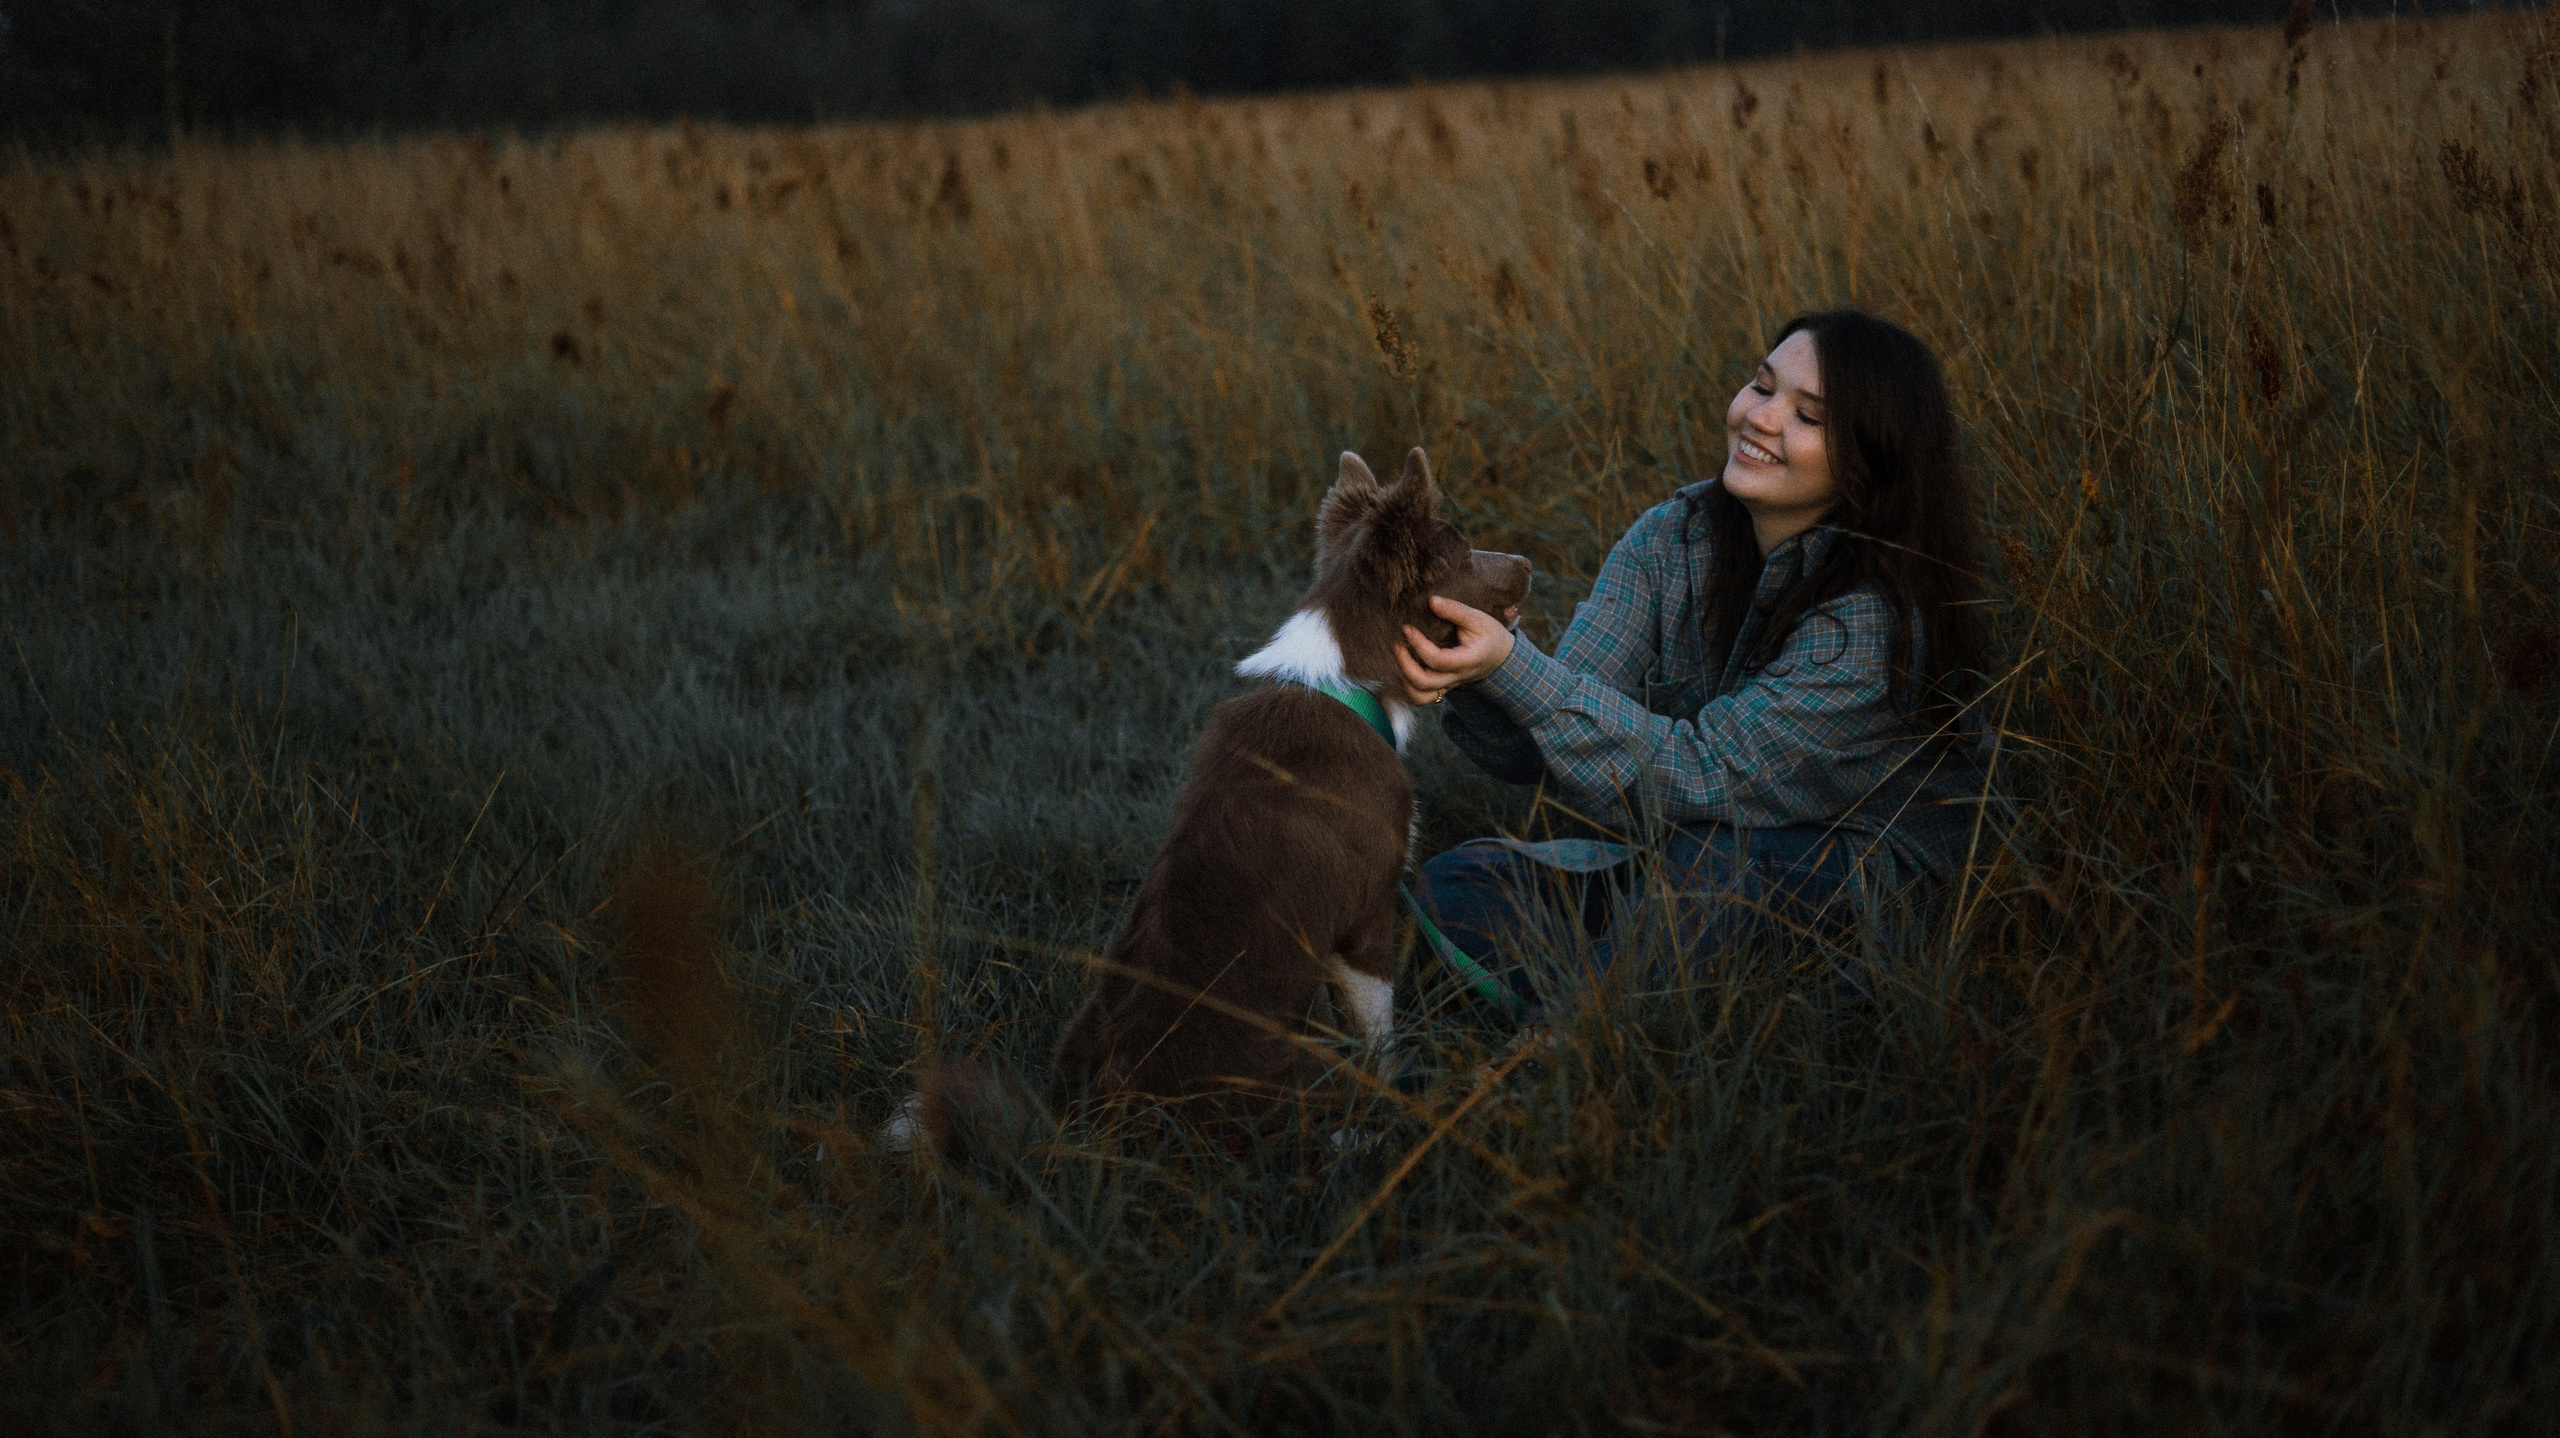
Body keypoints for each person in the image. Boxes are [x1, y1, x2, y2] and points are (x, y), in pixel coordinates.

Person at [1394, 308, 2001, 1010]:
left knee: (1710, 877)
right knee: (1459, 886)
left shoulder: (1875, 621)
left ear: (1872, 463)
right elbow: (1553, 741)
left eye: (1809, 416)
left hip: (1859, 888)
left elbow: (1705, 770)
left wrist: (1515, 671)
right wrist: (1470, 661)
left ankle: (1568, 1042)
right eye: (1761, 385)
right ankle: (1599, 999)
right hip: (1689, 861)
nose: (1761, 419)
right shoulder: (1671, 538)